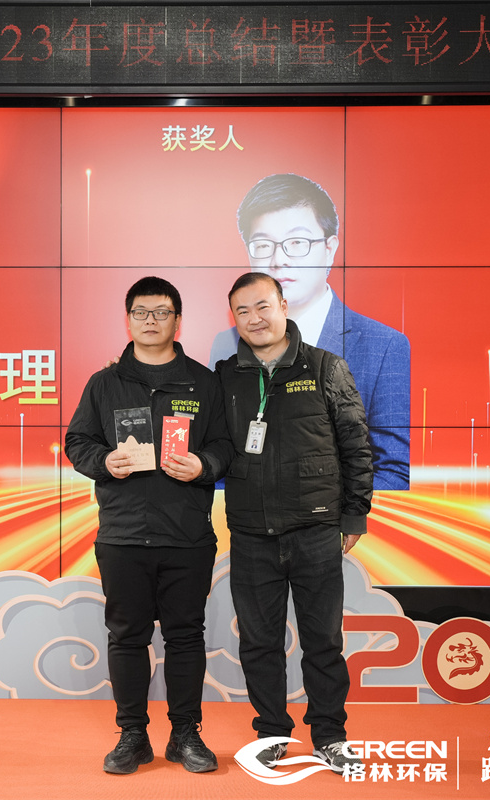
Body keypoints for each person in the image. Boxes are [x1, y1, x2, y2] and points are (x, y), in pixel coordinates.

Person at [65, 276, 233, 775]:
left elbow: (225, 445)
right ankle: (132, 736)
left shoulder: (204, 382)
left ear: (177, 320)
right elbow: (78, 442)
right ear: (128, 320)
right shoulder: (104, 383)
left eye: (161, 312)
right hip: (122, 535)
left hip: (187, 535)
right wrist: (103, 461)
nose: (151, 321)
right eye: (141, 312)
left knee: (186, 636)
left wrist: (204, 465)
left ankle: (185, 735)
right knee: (126, 637)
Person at [215, 271, 373, 773]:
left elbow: (355, 444)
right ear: (233, 319)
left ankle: (330, 735)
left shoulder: (326, 368)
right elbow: (199, 430)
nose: (254, 318)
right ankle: (272, 734)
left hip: (316, 530)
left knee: (323, 641)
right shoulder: (225, 376)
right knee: (259, 644)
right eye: (242, 311)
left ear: (284, 305)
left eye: (263, 306)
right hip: (250, 534)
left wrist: (355, 513)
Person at [209, 172, 410, 491]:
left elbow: (393, 472)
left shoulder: (384, 347)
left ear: (330, 248)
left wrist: (317, 509)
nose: (279, 260)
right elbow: (219, 451)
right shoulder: (226, 343)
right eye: (263, 245)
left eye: (297, 243)